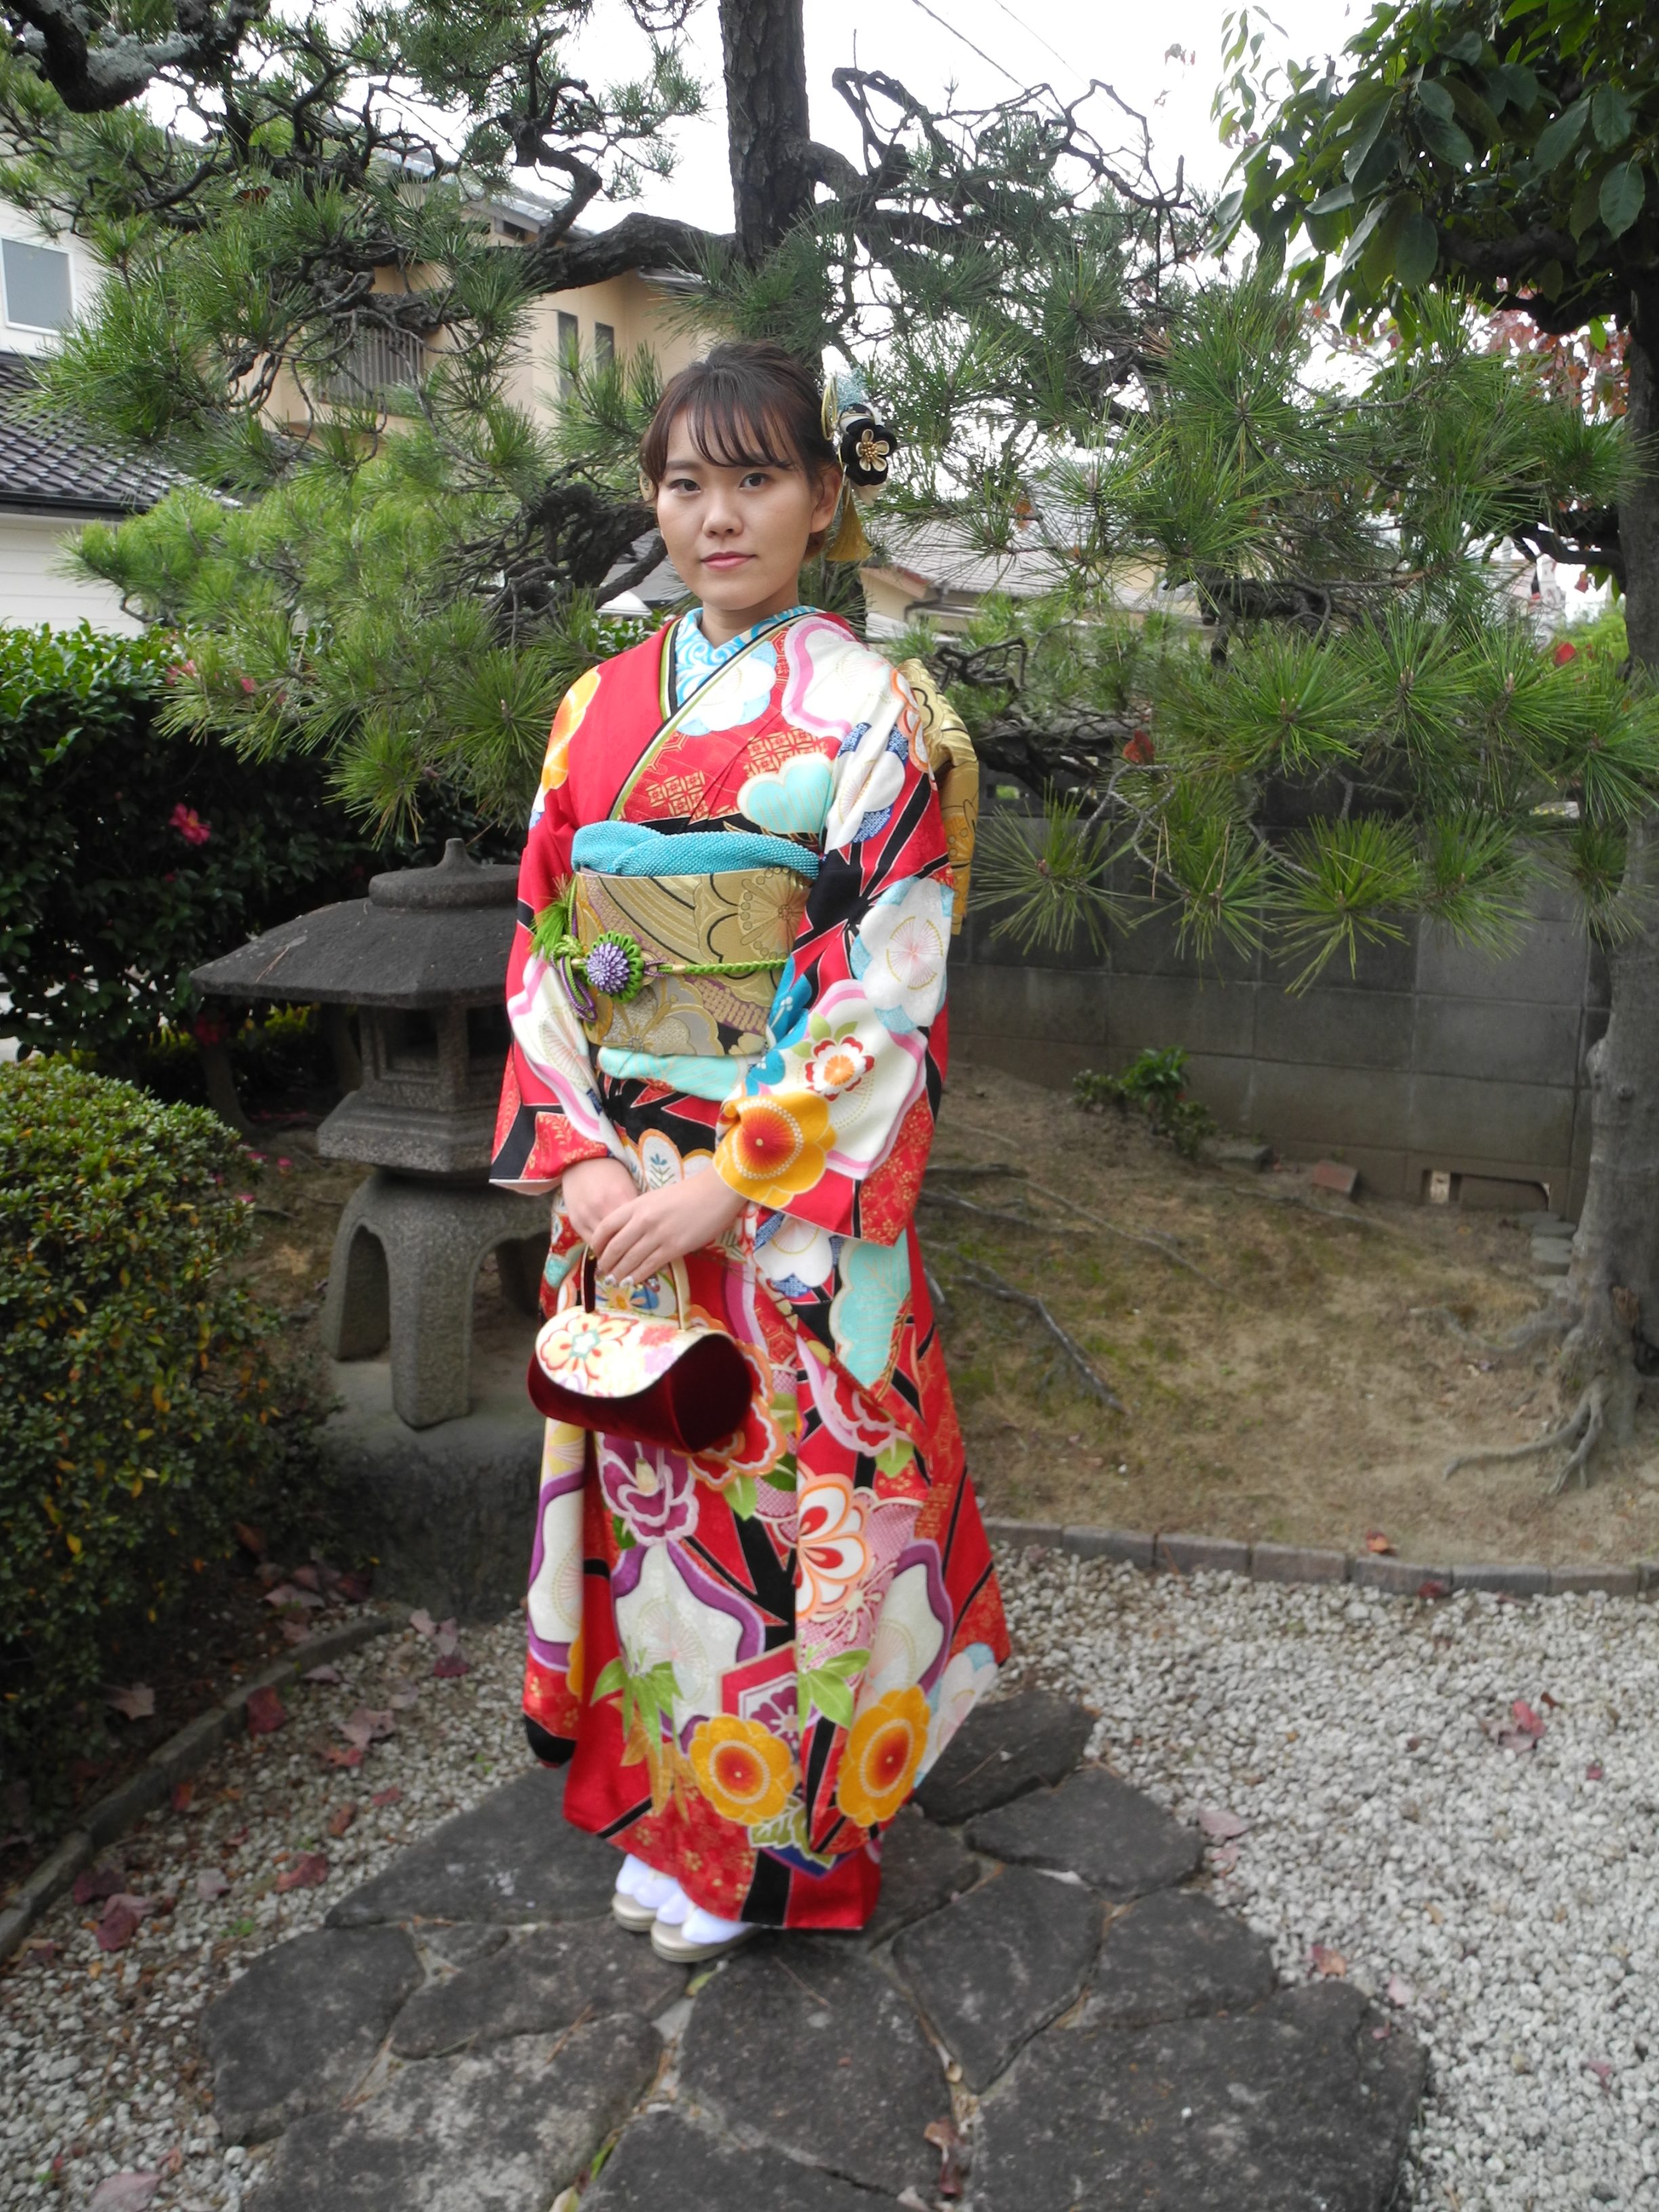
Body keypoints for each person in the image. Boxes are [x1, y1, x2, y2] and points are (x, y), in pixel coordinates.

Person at [490, 340, 1008, 1962]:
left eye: (757, 479)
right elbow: (542, 947)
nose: (717, 517)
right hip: (624, 1194)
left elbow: (886, 983)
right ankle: (672, 1813)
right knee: (653, 1513)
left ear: (824, 496)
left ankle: (779, 1863)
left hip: (775, 1204)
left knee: (789, 1530)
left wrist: (732, 1177)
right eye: (685, 483)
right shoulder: (596, 706)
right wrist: (583, 1160)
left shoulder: (878, 712)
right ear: (654, 499)